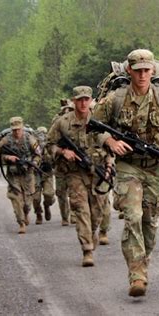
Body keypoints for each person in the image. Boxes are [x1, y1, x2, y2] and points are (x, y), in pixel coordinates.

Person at [92, 49, 159, 297]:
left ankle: (142, 263)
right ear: (129, 71)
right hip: (128, 166)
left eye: (147, 70)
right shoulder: (114, 99)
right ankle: (136, 274)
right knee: (133, 215)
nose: (143, 75)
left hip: (156, 167)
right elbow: (92, 127)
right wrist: (110, 143)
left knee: (149, 221)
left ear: (153, 70)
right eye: (138, 71)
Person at [47, 86, 113, 266]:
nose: (83, 103)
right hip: (75, 172)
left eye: (86, 99)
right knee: (81, 209)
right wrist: (62, 152)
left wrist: (109, 166)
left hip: (98, 172)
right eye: (79, 99)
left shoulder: (99, 120)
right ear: (73, 101)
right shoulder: (62, 122)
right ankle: (87, 250)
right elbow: (49, 145)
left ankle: (91, 234)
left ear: (91, 100)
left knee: (97, 213)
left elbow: (110, 147)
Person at [0, 117, 41, 234]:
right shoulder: (5, 140)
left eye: (18, 129)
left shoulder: (30, 139)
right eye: (14, 130)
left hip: (28, 173)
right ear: (11, 129)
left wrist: (34, 163)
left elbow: (38, 154)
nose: (16, 132)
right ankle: (21, 223)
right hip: (13, 174)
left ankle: (26, 213)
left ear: (22, 127)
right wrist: (8, 158)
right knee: (15, 198)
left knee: (27, 201)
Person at [52, 100, 75, 226]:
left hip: (75, 166)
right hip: (60, 165)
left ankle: (75, 214)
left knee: (75, 192)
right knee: (61, 193)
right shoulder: (57, 125)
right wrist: (61, 151)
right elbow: (50, 146)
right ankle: (65, 216)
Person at [31, 126, 56, 224]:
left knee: (49, 194)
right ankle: (38, 214)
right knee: (36, 198)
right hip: (35, 173)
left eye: (44, 134)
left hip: (47, 172)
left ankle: (47, 205)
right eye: (40, 134)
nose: (42, 137)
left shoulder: (50, 144)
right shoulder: (33, 145)